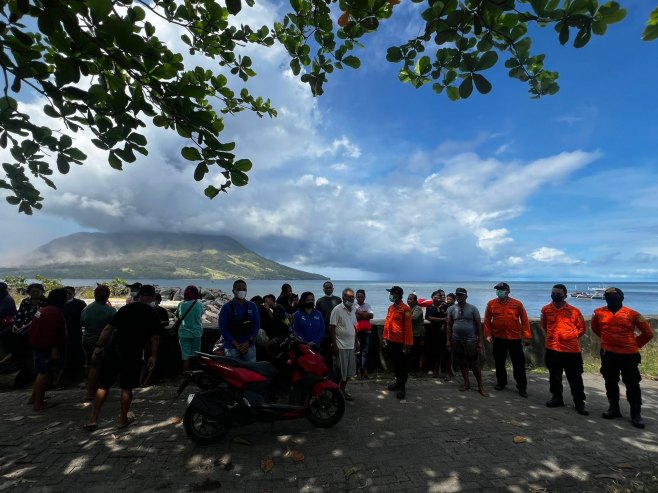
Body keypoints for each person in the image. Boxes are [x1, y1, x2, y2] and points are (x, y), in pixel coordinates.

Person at [85, 284, 161, 431]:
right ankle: (122, 419)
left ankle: (93, 420)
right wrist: (154, 356)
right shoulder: (152, 313)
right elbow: (155, 338)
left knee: (103, 385)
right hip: (133, 353)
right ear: (152, 297)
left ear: (139, 295)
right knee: (127, 387)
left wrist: (99, 346)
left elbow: (108, 328)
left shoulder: (126, 309)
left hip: (114, 349)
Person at [591, 287, 654, 428]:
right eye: (607, 296)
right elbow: (595, 328)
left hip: (629, 355)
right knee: (610, 381)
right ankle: (614, 409)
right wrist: (607, 340)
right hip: (608, 353)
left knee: (632, 383)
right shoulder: (599, 313)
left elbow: (648, 333)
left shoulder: (633, 314)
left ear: (621, 298)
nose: (610, 298)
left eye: (613, 296)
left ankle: (636, 414)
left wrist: (634, 345)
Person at [541, 284, 588, 416]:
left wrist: (570, 337)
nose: (555, 295)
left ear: (565, 295)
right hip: (552, 348)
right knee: (554, 376)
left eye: (558, 294)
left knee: (575, 378)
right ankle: (557, 398)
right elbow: (544, 325)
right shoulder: (546, 309)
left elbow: (582, 328)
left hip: (571, 350)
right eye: (553, 293)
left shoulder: (574, 311)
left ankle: (579, 402)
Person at [484, 282, 532, 398]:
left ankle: (522, 387)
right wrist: (488, 334)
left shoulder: (517, 304)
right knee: (499, 362)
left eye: (501, 289)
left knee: (518, 364)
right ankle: (501, 383)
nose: (499, 291)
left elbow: (525, 321)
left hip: (514, 338)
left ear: (507, 291)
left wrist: (527, 336)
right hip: (498, 338)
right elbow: (487, 321)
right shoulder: (491, 304)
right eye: (498, 290)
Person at [28, 288, 67, 411]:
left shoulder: (43, 310)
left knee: (41, 372)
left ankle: (34, 397)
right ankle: (38, 403)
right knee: (44, 373)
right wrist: (54, 348)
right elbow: (51, 332)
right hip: (46, 347)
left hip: (38, 345)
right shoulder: (53, 312)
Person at [447, 287, 488, 396]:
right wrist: (448, 340)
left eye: (462, 295)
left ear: (466, 296)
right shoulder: (451, 309)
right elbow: (449, 325)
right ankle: (466, 383)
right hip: (456, 340)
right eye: (457, 295)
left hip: (471, 340)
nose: (459, 297)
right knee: (462, 363)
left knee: (475, 365)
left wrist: (480, 341)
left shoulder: (473, 308)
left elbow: (479, 325)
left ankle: (480, 386)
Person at [80, 285, 116, 400]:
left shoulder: (87, 309)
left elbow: (82, 323)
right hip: (100, 341)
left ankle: (89, 385)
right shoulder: (110, 310)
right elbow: (114, 325)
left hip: (86, 339)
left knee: (89, 363)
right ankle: (91, 392)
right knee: (96, 366)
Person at [1, 283, 45, 364]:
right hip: (20, 324)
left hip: (33, 326)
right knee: (4, 334)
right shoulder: (26, 301)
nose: (35, 293)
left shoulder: (45, 303)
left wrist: (23, 327)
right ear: (29, 292)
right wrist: (15, 325)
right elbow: (18, 314)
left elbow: (37, 318)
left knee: (21, 336)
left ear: (42, 292)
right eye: (32, 291)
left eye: (37, 291)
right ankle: (10, 354)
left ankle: (18, 358)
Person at [218, 279, 260, 362]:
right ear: (233, 291)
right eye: (239, 289)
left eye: (244, 289)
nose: (242, 291)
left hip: (249, 347)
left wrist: (249, 342)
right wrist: (236, 344)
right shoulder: (226, 307)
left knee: (251, 371)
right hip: (231, 348)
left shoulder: (252, 306)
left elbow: (257, 324)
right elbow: (222, 328)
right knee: (234, 373)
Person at [383, 286, 413, 399]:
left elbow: (408, 328)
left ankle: (402, 387)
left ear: (397, 295)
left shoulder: (406, 309)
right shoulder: (391, 308)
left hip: (401, 343)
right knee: (395, 364)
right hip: (391, 341)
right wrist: (384, 337)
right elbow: (387, 323)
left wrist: (408, 344)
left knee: (402, 366)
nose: (390, 295)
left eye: (391, 293)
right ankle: (397, 383)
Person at [329, 288, 357, 401]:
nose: (351, 299)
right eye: (349, 297)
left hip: (351, 345)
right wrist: (334, 345)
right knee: (339, 373)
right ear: (343, 297)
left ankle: (342, 391)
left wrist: (357, 341)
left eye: (352, 297)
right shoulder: (337, 309)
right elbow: (332, 328)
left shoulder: (353, 309)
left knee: (349, 373)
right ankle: (333, 395)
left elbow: (354, 326)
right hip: (341, 346)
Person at [60, 286, 87, 385]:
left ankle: (79, 376)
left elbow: (84, 318)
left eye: (70, 293)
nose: (68, 295)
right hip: (62, 333)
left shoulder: (80, 304)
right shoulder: (60, 304)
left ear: (74, 293)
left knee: (77, 354)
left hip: (75, 332)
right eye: (66, 293)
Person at [316, 281, 342, 373]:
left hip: (337, 333)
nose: (328, 289)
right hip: (325, 334)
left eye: (329, 287)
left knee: (338, 355)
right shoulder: (319, 301)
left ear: (333, 288)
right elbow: (317, 317)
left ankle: (339, 374)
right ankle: (328, 374)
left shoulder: (338, 300)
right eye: (326, 288)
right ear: (323, 289)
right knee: (326, 356)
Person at [425, 290, 451, 380]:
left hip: (445, 333)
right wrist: (442, 319)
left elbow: (448, 318)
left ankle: (447, 373)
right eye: (434, 297)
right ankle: (436, 372)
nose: (436, 299)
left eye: (438, 297)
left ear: (441, 298)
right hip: (434, 333)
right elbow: (429, 317)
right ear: (432, 298)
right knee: (436, 353)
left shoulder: (445, 307)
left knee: (446, 354)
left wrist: (444, 322)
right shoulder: (429, 307)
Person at [177, 285, 204, 372]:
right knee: (196, 355)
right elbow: (200, 315)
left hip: (183, 333)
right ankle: (196, 376)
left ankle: (186, 377)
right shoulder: (199, 304)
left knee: (186, 356)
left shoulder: (181, 304)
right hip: (196, 333)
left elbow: (178, 316)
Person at [354, 289, 373, 379]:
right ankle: (358, 372)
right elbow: (354, 317)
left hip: (366, 332)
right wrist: (365, 314)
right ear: (356, 297)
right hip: (357, 332)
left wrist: (359, 312)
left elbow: (371, 316)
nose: (360, 298)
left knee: (365, 352)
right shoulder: (354, 306)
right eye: (358, 296)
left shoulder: (367, 305)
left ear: (364, 297)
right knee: (357, 352)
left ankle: (365, 371)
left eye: (362, 296)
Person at [407, 293, 425, 376]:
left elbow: (413, 319)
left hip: (418, 334)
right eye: (408, 299)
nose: (409, 300)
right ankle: (413, 370)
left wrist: (405, 314)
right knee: (412, 353)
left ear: (415, 301)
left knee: (417, 353)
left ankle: (419, 371)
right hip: (412, 334)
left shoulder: (417, 308)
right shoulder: (409, 308)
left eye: (411, 299)